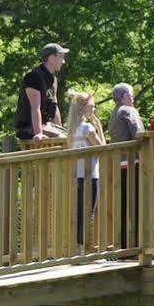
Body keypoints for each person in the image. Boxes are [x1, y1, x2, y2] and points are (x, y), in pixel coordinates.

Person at [104, 84, 143, 247]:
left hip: (118, 163)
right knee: (136, 204)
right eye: (131, 95)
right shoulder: (128, 111)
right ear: (124, 96)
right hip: (132, 162)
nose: (133, 98)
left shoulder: (114, 115)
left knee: (123, 204)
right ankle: (135, 244)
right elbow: (139, 134)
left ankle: (124, 244)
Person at [67, 90, 105, 243]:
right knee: (89, 214)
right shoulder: (87, 128)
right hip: (90, 176)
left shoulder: (72, 130)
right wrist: (99, 125)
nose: (94, 109)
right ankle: (85, 250)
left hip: (77, 175)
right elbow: (103, 147)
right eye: (92, 106)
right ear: (83, 108)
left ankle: (78, 249)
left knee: (79, 214)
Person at [13, 43, 68, 146]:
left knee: (69, 136)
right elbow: (35, 108)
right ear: (51, 58)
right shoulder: (33, 77)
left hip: (46, 125)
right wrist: (39, 133)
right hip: (28, 127)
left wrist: (60, 129)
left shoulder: (53, 79)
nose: (63, 61)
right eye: (61, 57)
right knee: (61, 138)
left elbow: (54, 108)